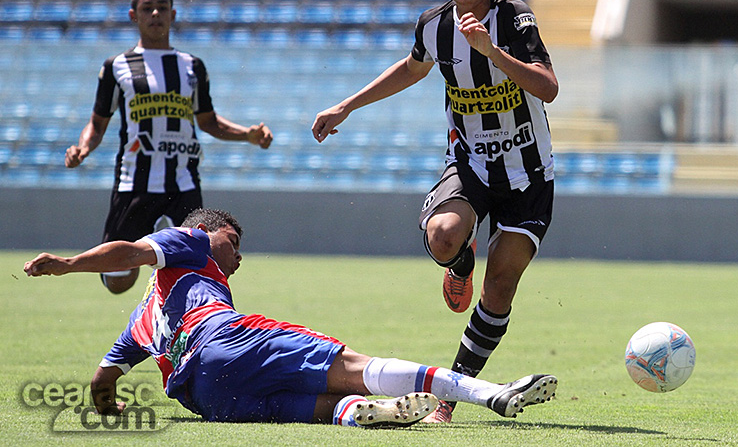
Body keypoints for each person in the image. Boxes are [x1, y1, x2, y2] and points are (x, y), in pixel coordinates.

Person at [312, 0, 558, 423]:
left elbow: (548, 87)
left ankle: (447, 399)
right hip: (470, 164)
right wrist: (346, 106)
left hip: (528, 172)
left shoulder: (514, 17)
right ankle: (461, 264)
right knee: (444, 237)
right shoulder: (434, 23)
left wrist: (492, 52)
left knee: (502, 286)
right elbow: (412, 66)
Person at [23, 208, 557, 426]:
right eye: (234, 241)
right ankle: (491, 394)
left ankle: (372, 412)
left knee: (323, 407)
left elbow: (101, 382)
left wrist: (110, 405)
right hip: (224, 341)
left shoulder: (141, 320)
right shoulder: (191, 242)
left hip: (209, 400)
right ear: (210, 230)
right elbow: (133, 253)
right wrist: (70, 264)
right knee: (354, 363)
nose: (237, 254)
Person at [65, 0, 273, 295]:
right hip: (135, 181)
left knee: (198, 268)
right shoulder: (117, 67)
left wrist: (248, 135)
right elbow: (97, 123)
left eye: (162, 7)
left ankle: (180, 313)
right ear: (134, 16)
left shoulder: (191, 66)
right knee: (118, 283)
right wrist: (82, 148)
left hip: (184, 182)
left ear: (173, 15)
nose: (156, 14)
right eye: (148, 8)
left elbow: (208, 121)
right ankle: (159, 249)